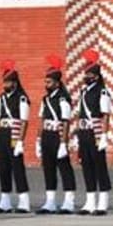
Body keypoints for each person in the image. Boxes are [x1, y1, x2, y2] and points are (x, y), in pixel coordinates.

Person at [37, 56, 77, 214]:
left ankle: (69, 200)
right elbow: (41, 119)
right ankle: (50, 201)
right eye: (45, 82)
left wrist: (63, 143)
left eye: (49, 82)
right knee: (48, 168)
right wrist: (38, 139)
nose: (46, 85)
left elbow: (66, 122)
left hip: (58, 134)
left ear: (57, 83)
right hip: (47, 134)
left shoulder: (63, 99)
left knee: (64, 168)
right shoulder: (45, 99)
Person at [73, 49, 112, 215]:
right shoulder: (83, 92)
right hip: (84, 131)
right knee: (86, 165)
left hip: (95, 132)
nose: (85, 77)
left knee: (99, 165)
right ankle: (90, 201)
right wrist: (76, 134)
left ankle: (102, 202)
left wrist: (103, 135)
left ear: (95, 76)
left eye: (88, 74)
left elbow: (105, 115)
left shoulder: (102, 91)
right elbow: (79, 113)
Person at [0, 61, 32, 213]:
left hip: (14, 134)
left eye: (8, 81)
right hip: (2, 133)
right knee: (3, 167)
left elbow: (24, 121)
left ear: (15, 83)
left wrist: (21, 141)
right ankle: (5, 201)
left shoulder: (22, 98)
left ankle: (24, 201)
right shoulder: (2, 98)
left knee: (17, 168)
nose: (6, 84)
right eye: (5, 81)